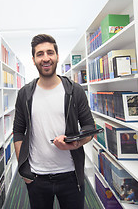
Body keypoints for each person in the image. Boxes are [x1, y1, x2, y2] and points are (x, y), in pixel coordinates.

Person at [13, 34, 95, 209]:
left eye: (50, 52)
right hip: (36, 176)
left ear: (57, 56)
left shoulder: (75, 91)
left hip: (71, 176)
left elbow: (89, 127)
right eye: (40, 54)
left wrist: (76, 142)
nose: (45, 58)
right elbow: (18, 131)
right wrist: (23, 170)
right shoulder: (25, 94)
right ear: (34, 60)